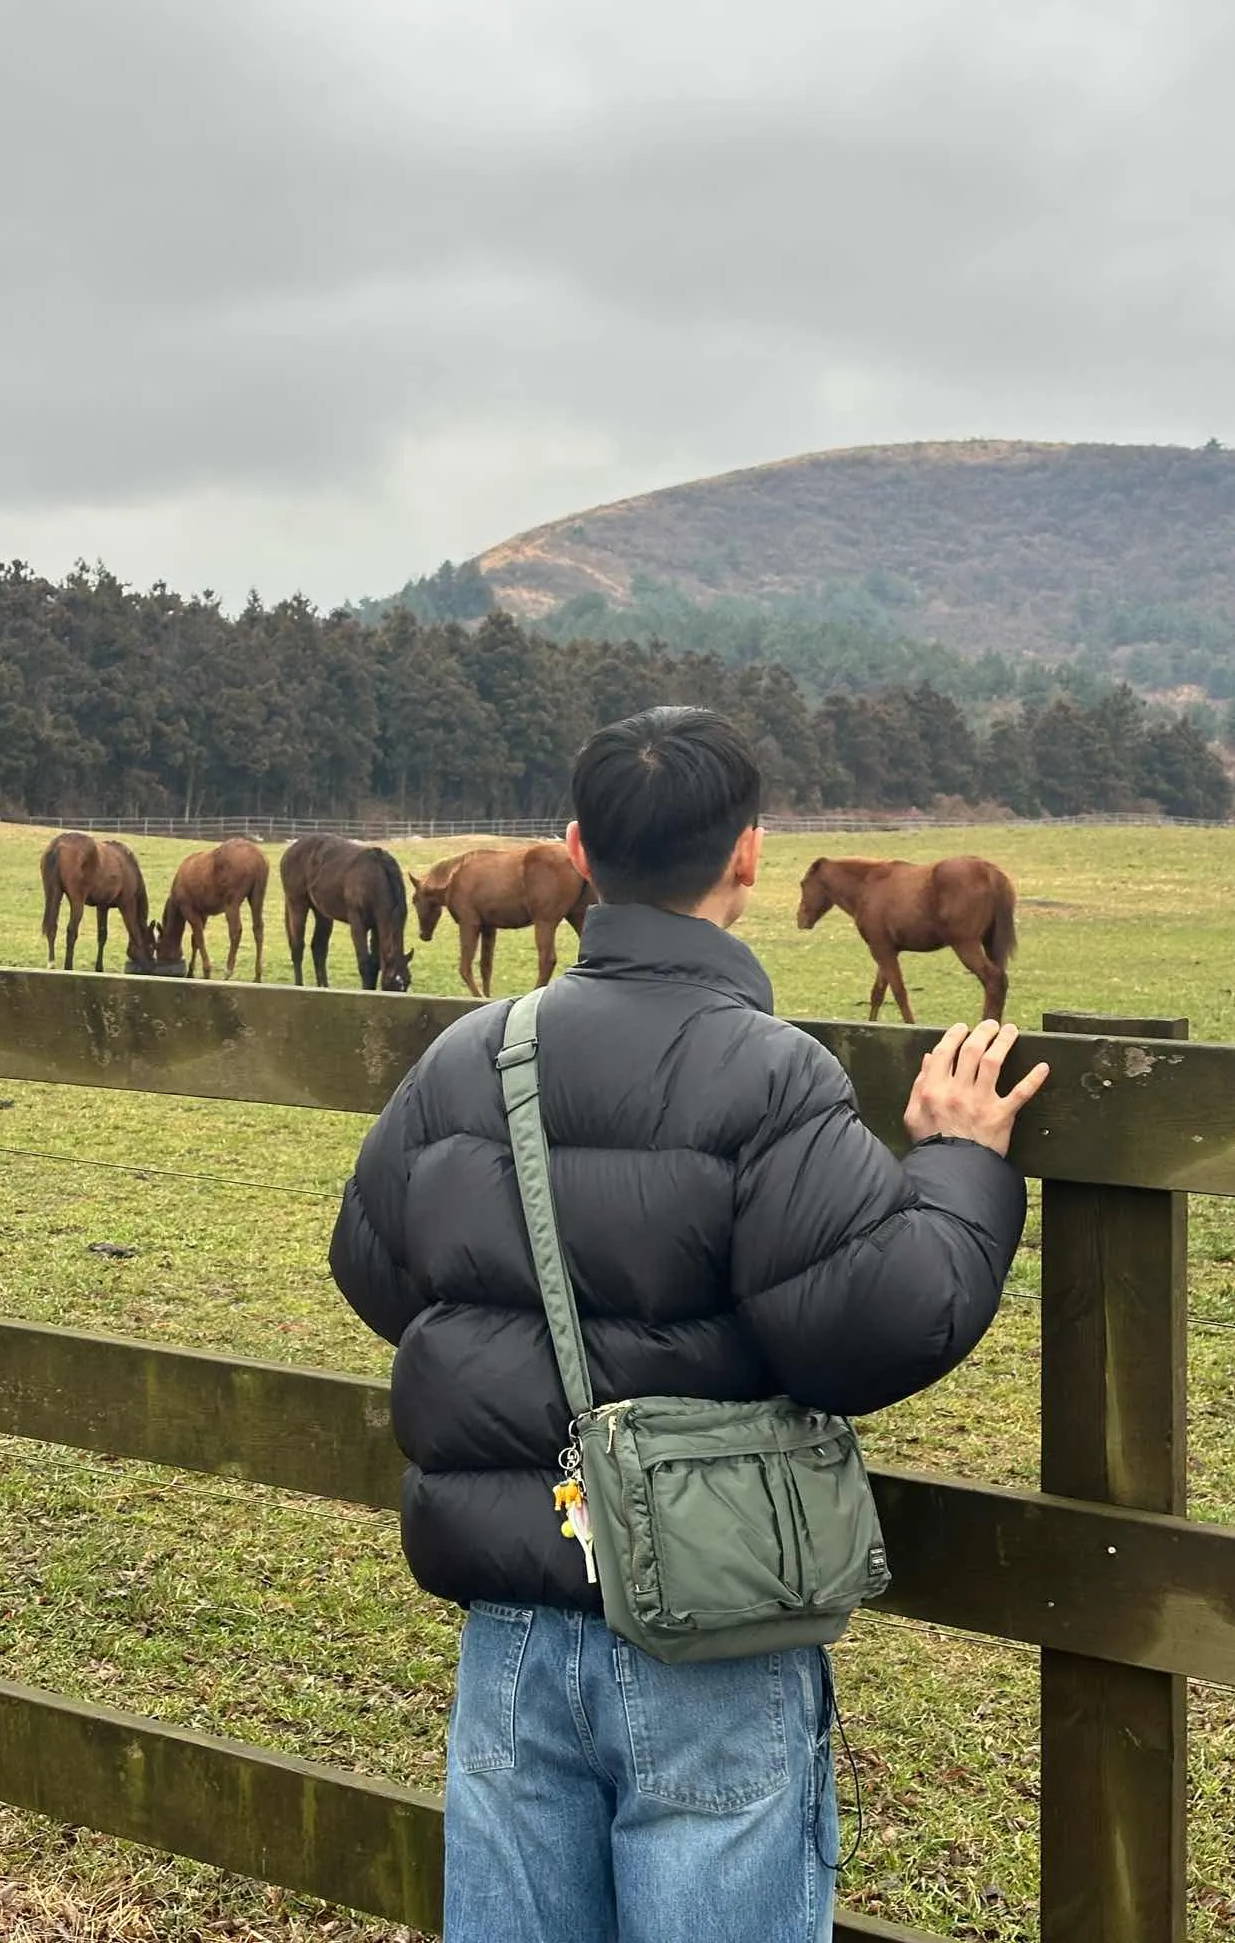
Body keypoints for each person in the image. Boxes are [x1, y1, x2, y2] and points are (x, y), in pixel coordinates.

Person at [328, 706, 1049, 1943]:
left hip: (510, 1626)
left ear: (577, 852)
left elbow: (376, 1266)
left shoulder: (467, 1055)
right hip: (711, 1628)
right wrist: (962, 1166)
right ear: (753, 856)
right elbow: (875, 1323)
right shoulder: (772, 1073)